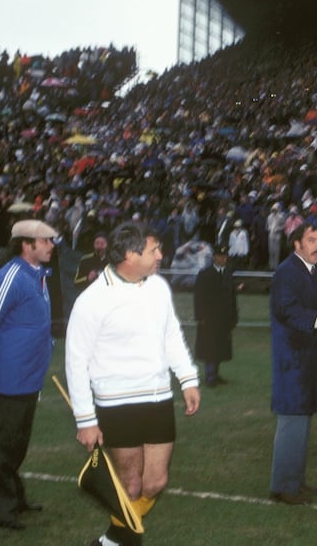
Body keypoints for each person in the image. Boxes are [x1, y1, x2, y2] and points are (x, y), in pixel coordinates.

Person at [65, 222, 201, 546]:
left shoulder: (159, 287)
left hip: (158, 398)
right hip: (116, 403)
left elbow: (171, 335)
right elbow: (76, 361)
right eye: (154, 250)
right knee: (130, 486)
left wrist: (188, 379)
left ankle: (111, 540)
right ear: (130, 255)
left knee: (155, 482)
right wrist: (86, 419)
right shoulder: (92, 300)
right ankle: (121, 542)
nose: (161, 255)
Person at [0, 219, 57, 530]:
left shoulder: (38, 276)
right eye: (45, 241)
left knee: (17, 443)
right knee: (1, 446)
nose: (51, 245)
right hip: (8, 379)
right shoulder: (11, 277)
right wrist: (4, 356)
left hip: (28, 378)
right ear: (26, 245)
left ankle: (14, 499)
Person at [268, 223, 317, 504]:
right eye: (311, 240)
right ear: (296, 244)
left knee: (301, 423)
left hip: (306, 359)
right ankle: (284, 486)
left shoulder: (310, 271)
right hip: (292, 360)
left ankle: (295, 483)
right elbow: (286, 310)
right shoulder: (287, 271)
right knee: (292, 422)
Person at [194, 244, 241, 387]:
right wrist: (200, 316)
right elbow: (198, 297)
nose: (223, 259)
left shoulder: (228, 273)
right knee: (210, 347)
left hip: (224, 318)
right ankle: (210, 376)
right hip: (209, 318)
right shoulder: (205, 274)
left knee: (221, 347)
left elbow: (232, 297)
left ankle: (216, 374)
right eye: (220, 256)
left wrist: (234, 316)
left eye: (225, 256)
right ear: (214, 257)